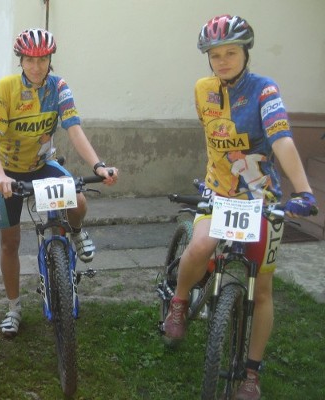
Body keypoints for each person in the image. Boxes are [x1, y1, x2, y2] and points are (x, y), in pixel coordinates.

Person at [162, 15, 318, 400]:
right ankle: (179, 304)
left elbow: (280, 138)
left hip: (259, 198)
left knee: (261, 290)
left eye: (230, 52)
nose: (222, 60)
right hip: (218, 193)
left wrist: (302, 190)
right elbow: (214, 141)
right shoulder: (202, 89)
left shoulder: (265, 91)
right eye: (215, 55)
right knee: (200, 247)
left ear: (246, 52)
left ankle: (252, 375)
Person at [0, 28, 118, 338]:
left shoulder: (58, 87)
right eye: (30, 60)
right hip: (10, 171)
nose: (36, 66)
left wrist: (97, 165)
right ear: (21, 60)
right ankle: (13, 308)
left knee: (79, 200)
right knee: (10, 242)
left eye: (42, 59)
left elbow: (73, 129)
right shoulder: (6, 88)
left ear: (50, 60)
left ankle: (77, 232)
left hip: (43, 165)